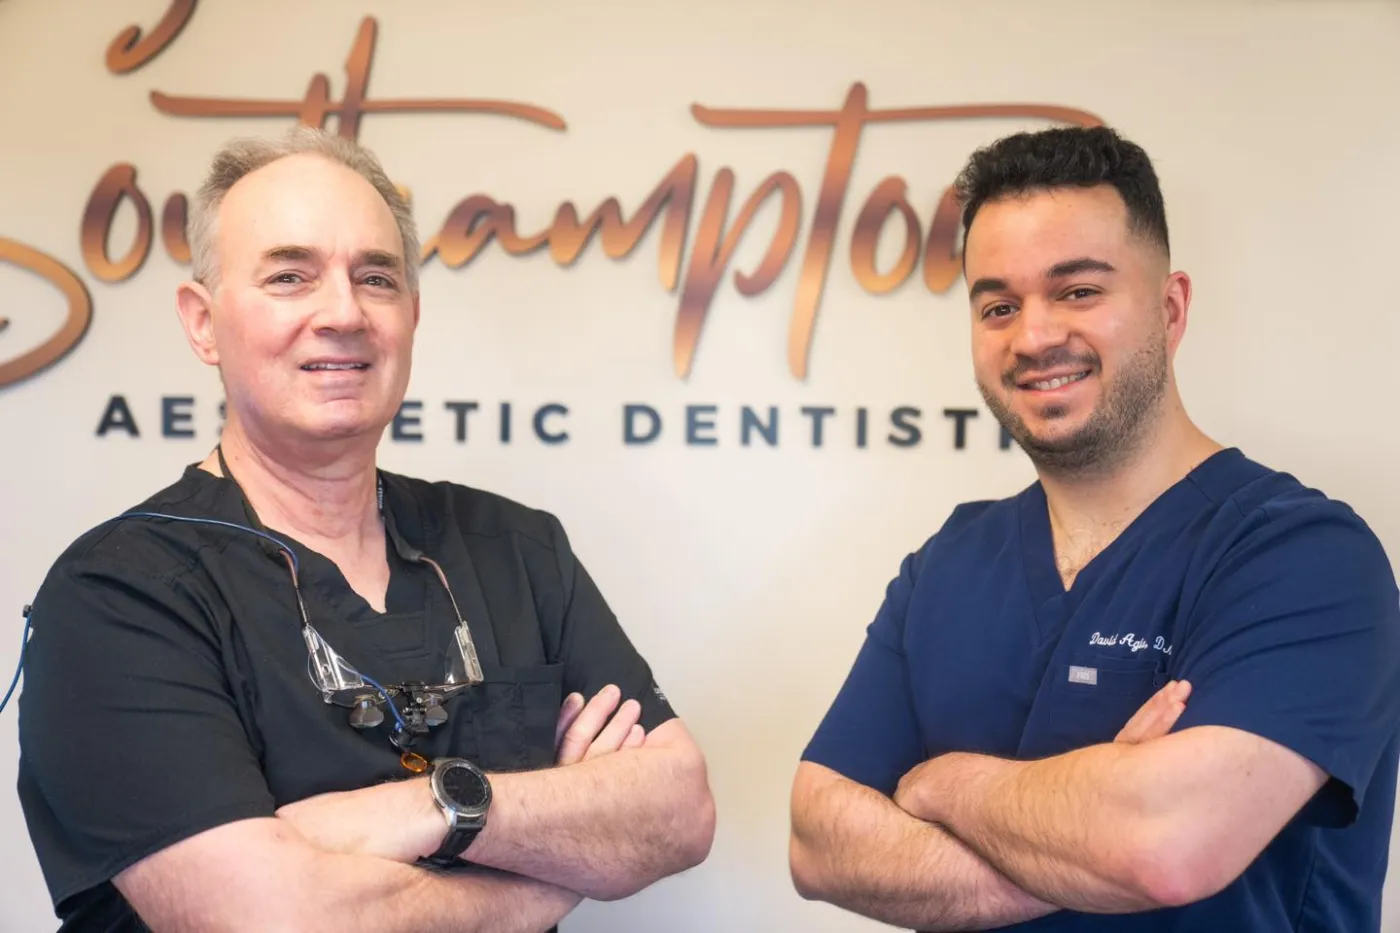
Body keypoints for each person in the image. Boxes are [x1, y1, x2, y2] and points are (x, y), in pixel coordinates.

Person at [15, 126, 715, 933]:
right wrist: (557, 871)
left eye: (375, 278)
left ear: (411, 315)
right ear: (203, 323)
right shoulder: (120, 595)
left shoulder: (517, 550)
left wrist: (420, 808)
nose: (343, 312)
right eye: (290, 276)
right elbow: (263, 921)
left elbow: (679, 810)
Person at [788, 125, 1400, 931]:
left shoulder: (1303, 557)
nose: (1035, 336)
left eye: (1078, 291)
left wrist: (943, 784)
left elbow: (1166, 846)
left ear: (1171, 308)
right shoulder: (949, 563)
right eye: (999, 305)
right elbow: (817, 839)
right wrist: (1093, 830)